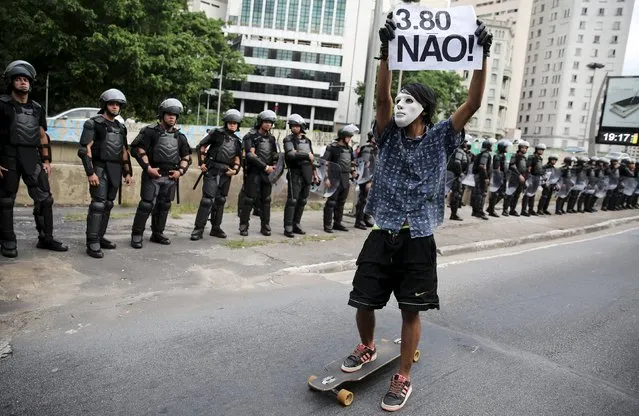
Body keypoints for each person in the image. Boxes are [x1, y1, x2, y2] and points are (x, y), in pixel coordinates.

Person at [341, 15, 492, 412]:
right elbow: (381, 97)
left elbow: (473, 102)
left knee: (411, 309)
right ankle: (368, 346)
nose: (401, 105)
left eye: (411, 101)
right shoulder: (387, 132)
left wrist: (482, 55)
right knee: (364, 301)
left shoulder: (442, 136)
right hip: (384, 231)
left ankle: (403, 376)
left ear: (425, 110)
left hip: (419, 237)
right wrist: (387, 53)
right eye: (401, 100)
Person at [0, 60, 67, 258]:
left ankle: (46, 238)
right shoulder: (2, 104)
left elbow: (41, 135)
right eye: (19, 79)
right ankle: (7, 241)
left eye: (26, 79)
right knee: (4, 201)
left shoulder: (37, 108)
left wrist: (46, 161)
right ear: (11, 82)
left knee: (45, 199)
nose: (23, 82)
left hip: (32, 157)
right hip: (7, 156)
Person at [78, 89, 133, 258]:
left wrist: (128, 172)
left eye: (118, 104)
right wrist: (90, 172)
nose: (115, 107)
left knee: (108, 204)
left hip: (115, 169)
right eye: (112, 104)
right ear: (104, 105)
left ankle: (100, 237)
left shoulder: (120, 127)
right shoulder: (93, 123)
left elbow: (124, 151)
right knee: (98, 204)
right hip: (99, 168)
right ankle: (92, 241)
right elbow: (84, 149)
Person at [129, 98, 191, 248]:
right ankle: (137, 234)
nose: (172, 117)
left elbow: (187, 157)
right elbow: (137, 149)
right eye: (169, 114)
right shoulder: (150, 132)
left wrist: (180, 172)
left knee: (164, 206)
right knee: (146, 205)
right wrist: (148, 168)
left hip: (170, 177)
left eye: (175, 115)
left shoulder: (180, 137)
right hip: (153, 175)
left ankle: (157, 233)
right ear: (162, 114)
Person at [191, 109, 242, 240]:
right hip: (212, 169)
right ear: (226, 123)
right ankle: (198, 229)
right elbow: (201, 146)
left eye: (235, 123)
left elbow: (237, 158)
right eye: (230, 122)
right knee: (207, 200)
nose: (232, 125)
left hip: (226, 172)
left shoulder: (237, 141)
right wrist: (201, 163)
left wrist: (235, 170)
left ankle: (215, 228)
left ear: (238, 125)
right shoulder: (216, 133)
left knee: (220, 201)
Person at [239, 110, 278, 236]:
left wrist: (276, 164)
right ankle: (244, 225)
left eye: (270, 122)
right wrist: (265, 166)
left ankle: (265, 226)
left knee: (266, 200)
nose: (268, 125)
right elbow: (250, 155)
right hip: (254, 172)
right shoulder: (251, 136)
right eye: (266, 122)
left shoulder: (271, 138)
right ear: (260, 122)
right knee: (249, 199)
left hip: (267, 174)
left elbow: (274, 154)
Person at [282, 114, 316, 238]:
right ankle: (288, 226)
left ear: (301, 126)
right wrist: (306, 155)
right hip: (294, 172)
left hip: (307, 172)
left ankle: (296, 224)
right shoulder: (288, 139)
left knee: (302, 200)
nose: (294, 128)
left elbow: (312, 159)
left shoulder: (307, 140)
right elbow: (290, 155)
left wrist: (315, 173)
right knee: (292, 200)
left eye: (296, 126)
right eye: (292, 126)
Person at [322, 124, 359, 233]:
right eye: (349, 137)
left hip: (345, 177)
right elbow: (324, 163)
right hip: (334, 177)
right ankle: (327, 224)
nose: (350, 139)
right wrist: (326, 178)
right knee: (331, 202)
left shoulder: (349, 148)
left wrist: (353, 171)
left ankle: (337, 223)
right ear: (343, 136)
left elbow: (352, 162)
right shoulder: (332, 147)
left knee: (341, 202)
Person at [354, 131, 378, 229]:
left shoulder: (375, 148)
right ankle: (359, 221)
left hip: (373, 177)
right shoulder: (367, 149)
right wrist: (368, 180)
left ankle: (366, 218)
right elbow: (365, 165)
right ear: (371, 138)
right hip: (365, 178)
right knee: (363, 199)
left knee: (369, 200)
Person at [503, 141, 529, 217]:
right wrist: (519, 175)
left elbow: (525, 168)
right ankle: (505, 210)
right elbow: (512, 166)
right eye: (523, 147)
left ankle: (512, 210)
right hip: (514, 178)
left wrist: (525, 178)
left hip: (522, 179)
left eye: (526, 148)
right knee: (510, 194)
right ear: (519, 148)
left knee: (517, 195)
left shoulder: (524, 158)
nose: (524, 149)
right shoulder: (515, 156)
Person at [486, 139, 510, 217]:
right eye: (506, 147)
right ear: (502, 147)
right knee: (495, 194)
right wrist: (500, 178)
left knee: (502, 194)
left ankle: (490, 208)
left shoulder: (503, 155)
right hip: (498, 177)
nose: (507, 148)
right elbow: (497, 168)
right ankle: (491, 210)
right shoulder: (498, 156)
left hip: (503, 176)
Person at [447, 139, 470, 221]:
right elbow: (457, 162)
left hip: (454, 175)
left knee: (455, 195)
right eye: (465, 142)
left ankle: (454, 213)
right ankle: (454, 214)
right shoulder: (459, 151)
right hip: (455, 176)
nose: (466, 144)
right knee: (456, 195)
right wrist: (460, 173)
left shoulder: (458, 151)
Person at [521, 143, 545, 216]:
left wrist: (542, 176)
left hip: (537, 177)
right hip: (531, 176)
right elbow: (528, 168)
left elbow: (540, 168)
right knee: (527, 194)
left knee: (533, 194)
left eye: (543, 150)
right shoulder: (532, 157)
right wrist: (528, 178)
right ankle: (524, 210)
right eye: (541, 150)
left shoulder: (540, 158)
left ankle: (530, 210)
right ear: (537, 150)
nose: (542, 151)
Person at [471, 140, 492, 220]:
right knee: (481, 194)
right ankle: (479, 211)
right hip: (481, 176)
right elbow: (482, 166)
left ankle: (475, 211)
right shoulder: (485, 154)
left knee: (477, 193)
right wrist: (486, 177)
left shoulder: (480, 154)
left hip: (478, 175)